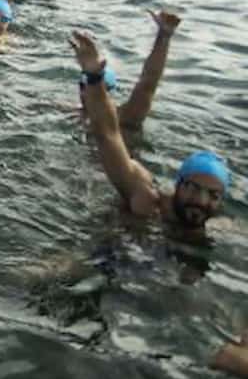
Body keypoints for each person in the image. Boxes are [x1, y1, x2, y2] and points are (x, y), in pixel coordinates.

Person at [69, 30, 229, 237]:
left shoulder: (221, 229)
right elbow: (107, 135)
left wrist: (165, 35)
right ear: (178, 183)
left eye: (213, 195)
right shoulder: (147, 201)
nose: (201, 200)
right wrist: (93, 77)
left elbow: (147, 86)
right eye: (193, 188)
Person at [79, 10, 181, 133]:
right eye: (82, 86)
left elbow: (148, 83)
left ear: (108, 92)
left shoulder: (126, 116)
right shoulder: (75, 114)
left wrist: (164, 36)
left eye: (91, 86)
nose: (84, 93)